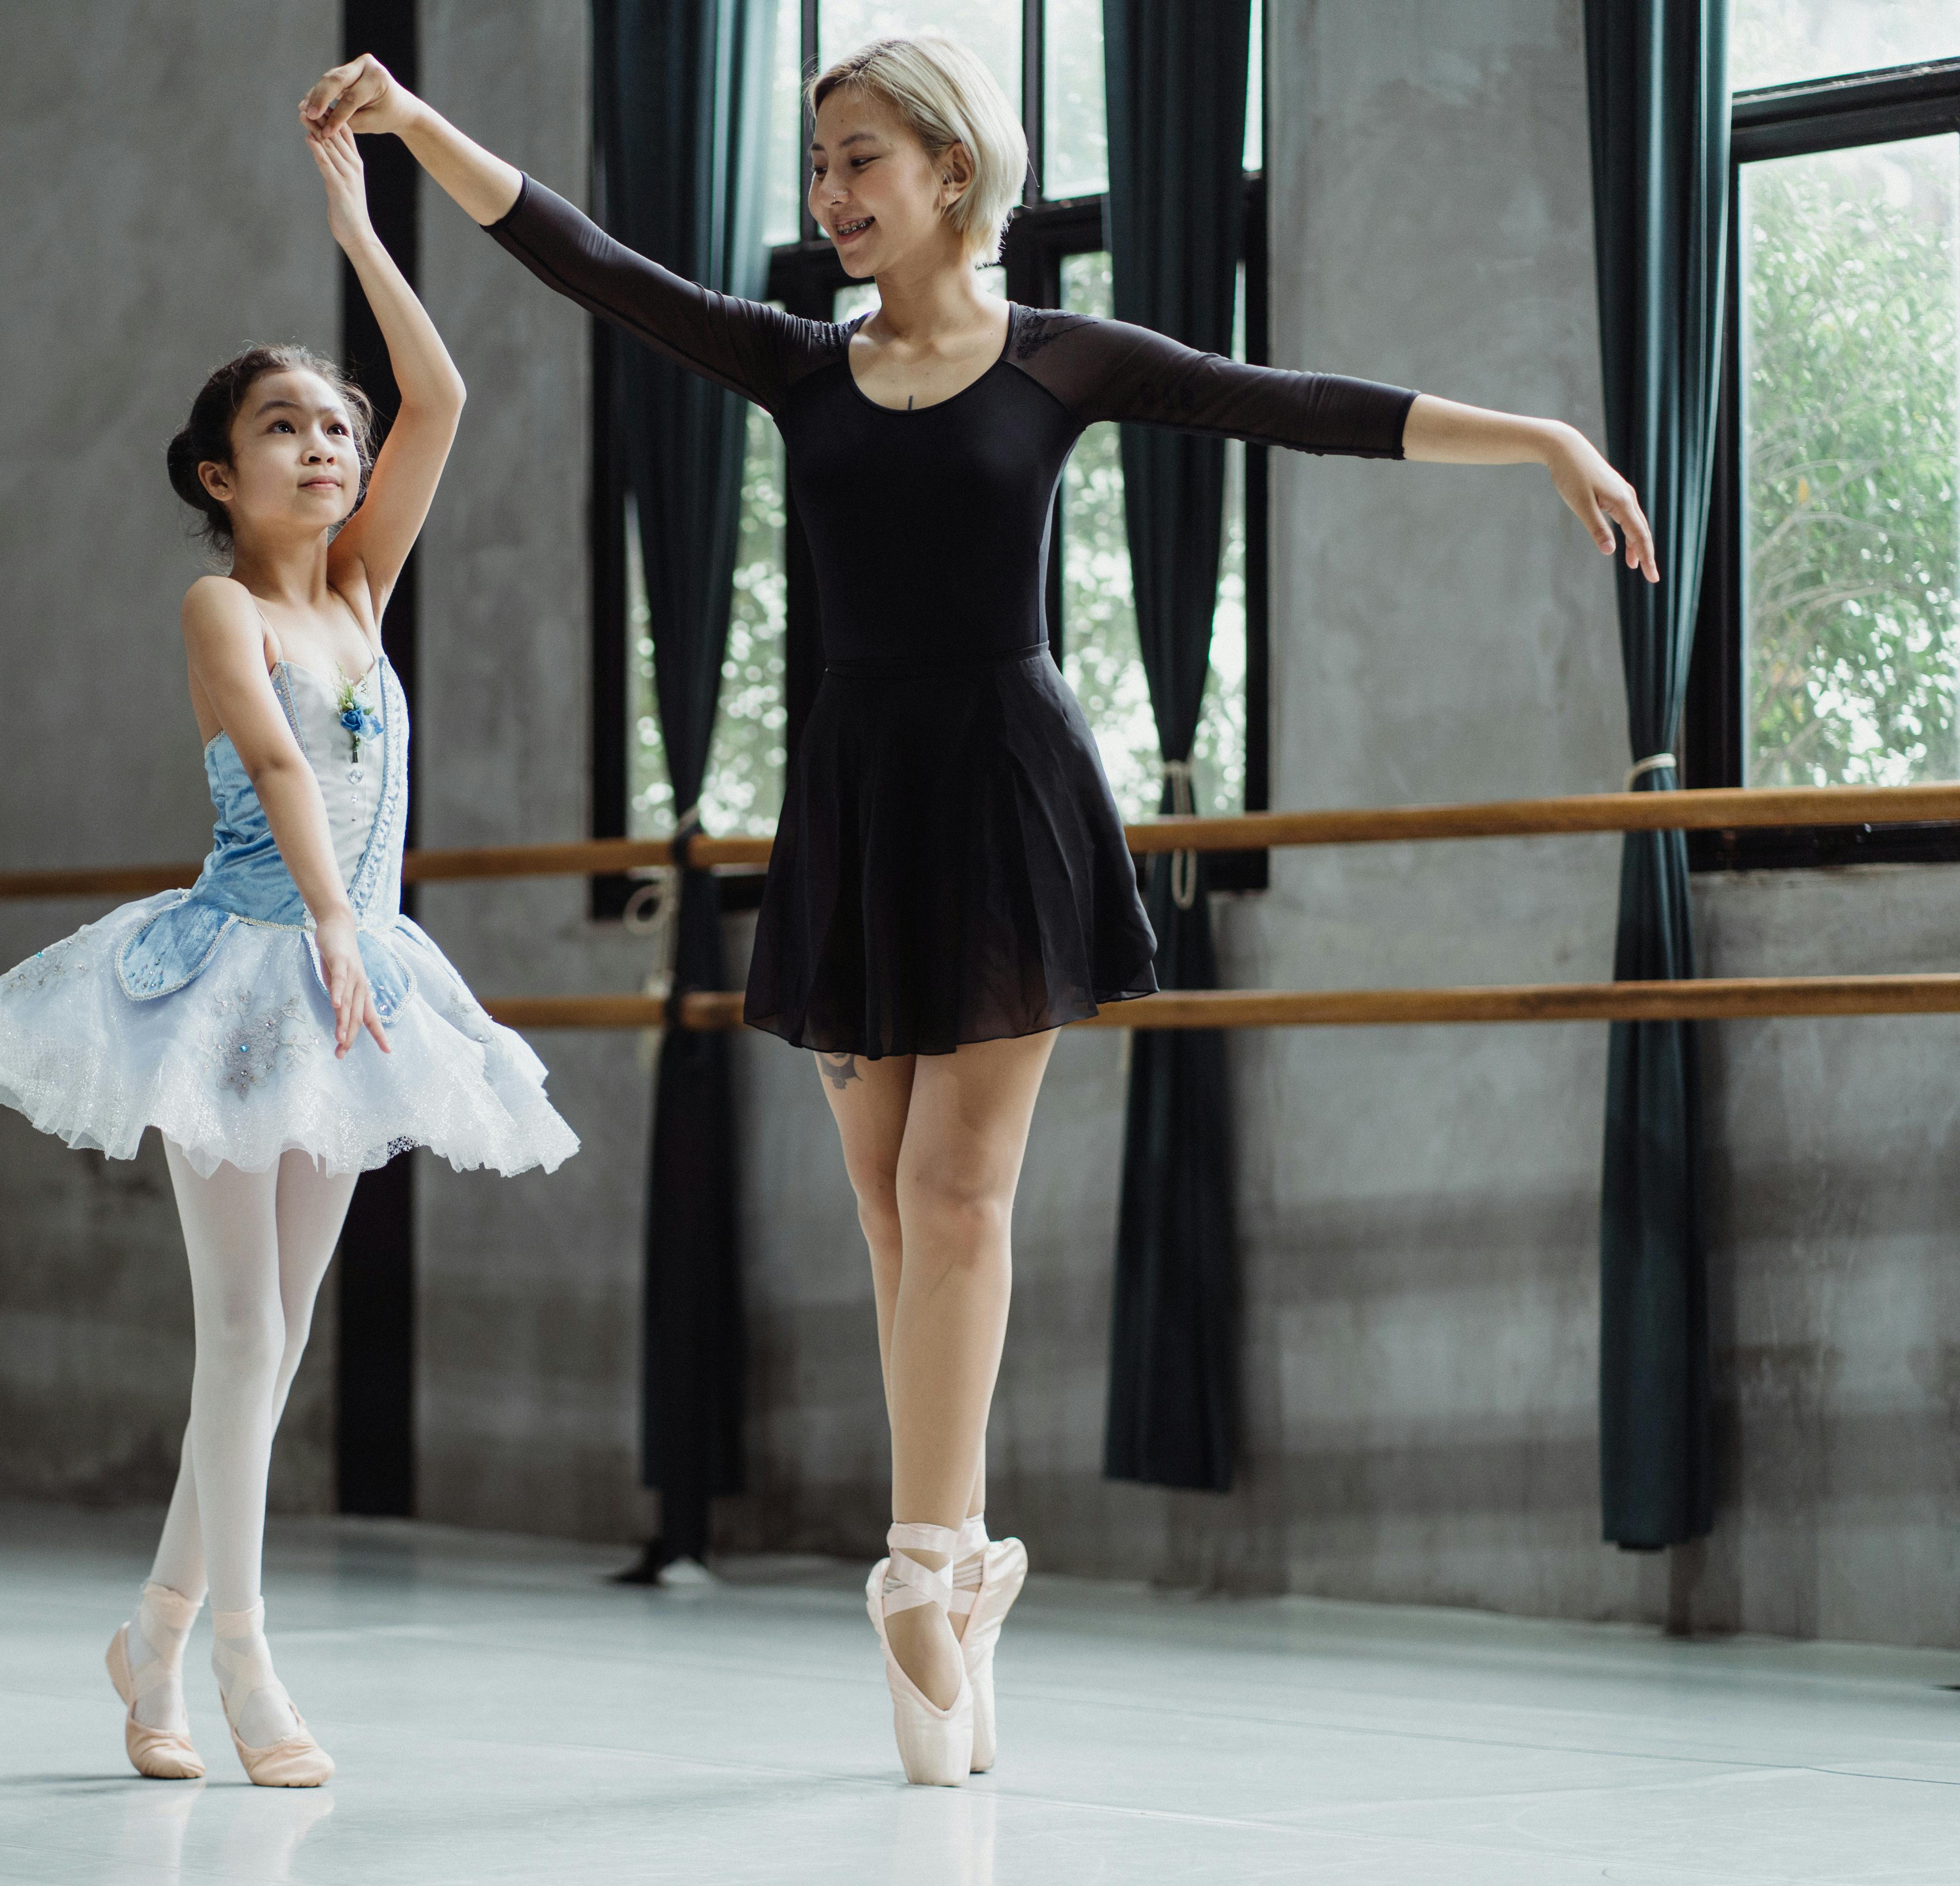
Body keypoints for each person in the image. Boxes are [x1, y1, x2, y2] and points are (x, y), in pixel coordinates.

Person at [300, 36, 1657, 1787]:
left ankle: (921, 1570)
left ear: (953, 168)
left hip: (1009, 787)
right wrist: (413, 127)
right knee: (889, 1213)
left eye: (860, 158)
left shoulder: (1061, 360)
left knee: (957, 1190)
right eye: (816, 171)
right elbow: (586, 261)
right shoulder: (800, 367)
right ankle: (959, 1559)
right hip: (855, 797)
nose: (832, 197)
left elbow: (1298, 401)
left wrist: (1536, 433)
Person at [0, 120, 579, 1788]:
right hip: (242, 978)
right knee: (243, 1333)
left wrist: (358, 225)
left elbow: (440, 399)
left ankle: (148, 1638)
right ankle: (241, 1665)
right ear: (219, 475)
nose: (325, 444)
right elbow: (288, 769)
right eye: (283, 425)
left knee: (276, 1343)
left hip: (349, 972)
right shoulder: (225, 610)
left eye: (334, 425)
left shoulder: (363, 590)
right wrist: (322, 921)